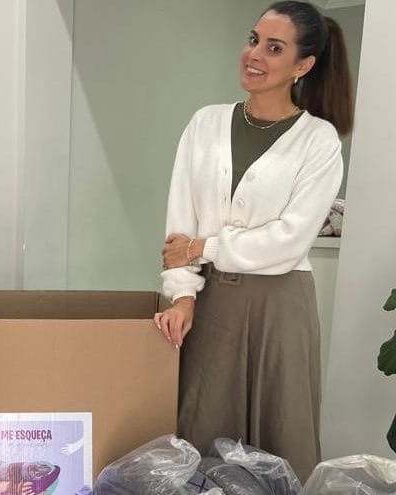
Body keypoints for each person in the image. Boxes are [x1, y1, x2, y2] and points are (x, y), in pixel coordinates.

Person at [153, 1, 353, 480]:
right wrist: (183, 296)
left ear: (303, 65)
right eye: (253, 40)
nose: (255, 54)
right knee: (201, 424)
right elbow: (180, 224)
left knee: (281, 429)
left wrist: (203, 248)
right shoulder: (205, 123)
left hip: (281, 305)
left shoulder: (319, 140)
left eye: (274, 48)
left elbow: (289, 240)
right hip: (211, 302)